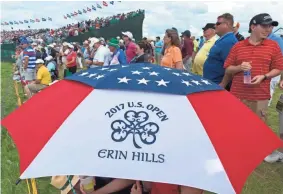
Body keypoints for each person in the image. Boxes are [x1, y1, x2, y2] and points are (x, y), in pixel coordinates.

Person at [221, 13, 283, 163]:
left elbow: (279, 68)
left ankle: (254, 154)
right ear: (253, 26)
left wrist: (265, 76)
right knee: (236, 124)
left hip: (260, 95)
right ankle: (236, 151)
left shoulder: (273, 46)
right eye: (264, 25)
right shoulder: (238, 46)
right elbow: (228, 68)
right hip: (237, 94)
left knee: (258, 126)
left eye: (270, 26)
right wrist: (239, 67)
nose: (268, 29)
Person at [203, 13, 238, 90]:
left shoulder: (229, 42)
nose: (215, 26)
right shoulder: (223, 39)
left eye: (218, 23)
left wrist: (223, 84)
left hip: (217, 86)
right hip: (212, 83)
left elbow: (230, 67)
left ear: (227, 24)